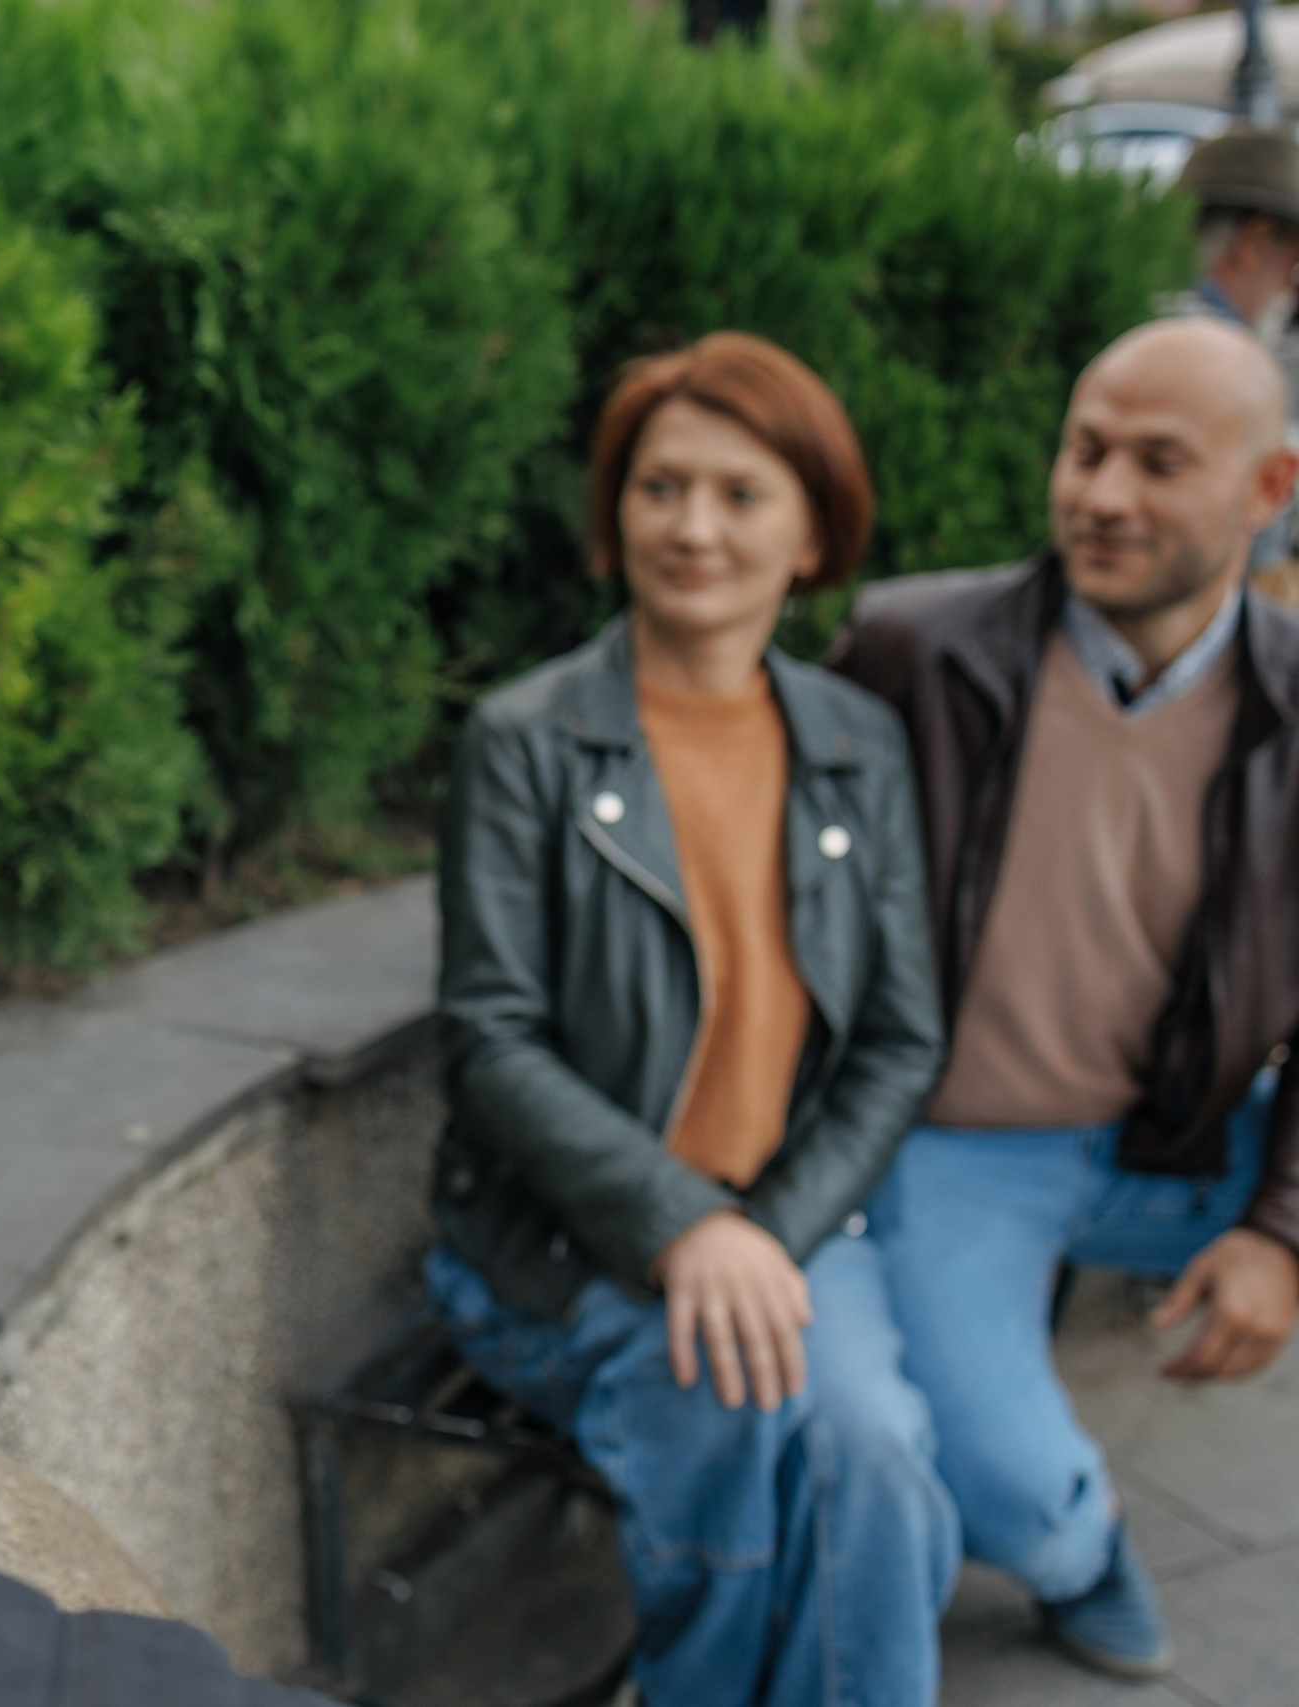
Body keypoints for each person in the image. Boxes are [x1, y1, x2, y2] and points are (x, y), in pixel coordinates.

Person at [428, 332, 955, 1706]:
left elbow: (901, 1037)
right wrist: (678, 1220)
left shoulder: (857, 741)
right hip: (560, 1243)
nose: (692, 526)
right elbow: (489, 1037)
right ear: (616, 511)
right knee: (729, 1413)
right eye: (660, 486)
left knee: (878, 1458)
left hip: (783, 1221)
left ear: (811, 530)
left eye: (739, 493)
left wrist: (754, 1232)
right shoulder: (524, 738)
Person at [829, 317, 1299, 1680]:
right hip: (966, 1144)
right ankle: (1079, 1548)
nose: (1101, 495)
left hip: (1187, 1132)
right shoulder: (913, 647)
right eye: (1087, 449)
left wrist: (1279, 1228)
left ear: (1269, 491)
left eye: (1160, 463)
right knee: (1017, 1496)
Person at [1165, 127, 1299, 569]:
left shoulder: (1151, 312)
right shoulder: (1210, 356)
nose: (1291, 285)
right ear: (1256, 240)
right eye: (1294, 262)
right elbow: (1259, 540)